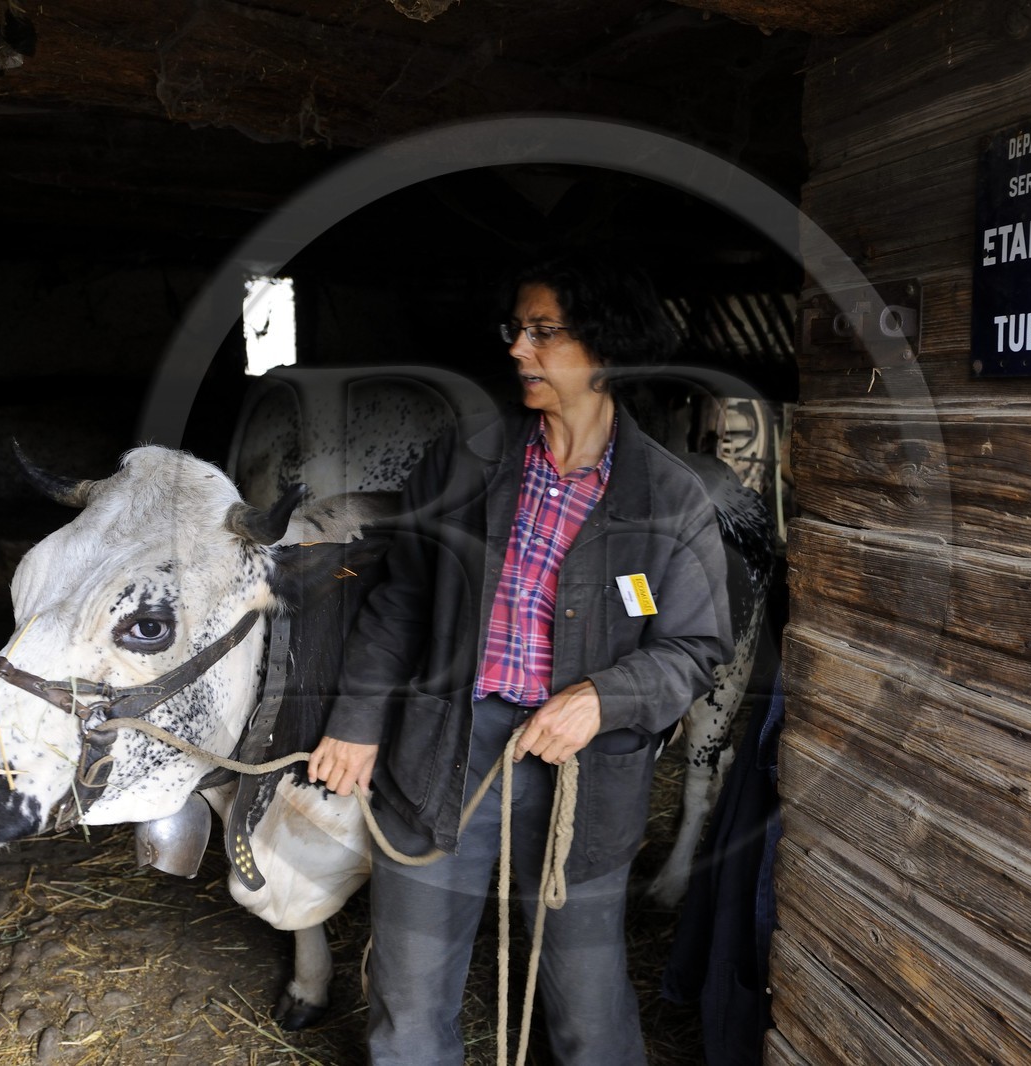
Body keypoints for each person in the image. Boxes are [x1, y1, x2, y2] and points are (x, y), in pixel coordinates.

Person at [307, 251, 734, 1065]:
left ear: (606, 348)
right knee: (409, 992)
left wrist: (603, 699)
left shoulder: (670, 498)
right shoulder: (465, 458)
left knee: (587, 999)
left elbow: (695, 648)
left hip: (581, 768)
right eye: (517, 329)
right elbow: (402, 599)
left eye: (543, 332)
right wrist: (358, 721)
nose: (517, 350)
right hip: (444, 748)